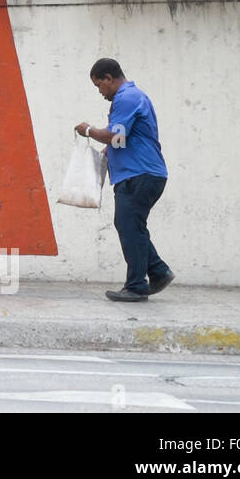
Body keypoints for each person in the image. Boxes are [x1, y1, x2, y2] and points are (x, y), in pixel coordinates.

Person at [74, 58, 175, 302]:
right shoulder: (131, 97)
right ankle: (158, 272)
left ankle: (137, 286)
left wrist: (88, 130)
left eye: (99, 85)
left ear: (109, 78)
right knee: (131, 226)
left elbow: (115, 136)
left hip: (139, 175)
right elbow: (124, 138)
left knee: (129, 226)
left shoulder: (126, 97)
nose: (100, 92)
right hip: (141, 174)